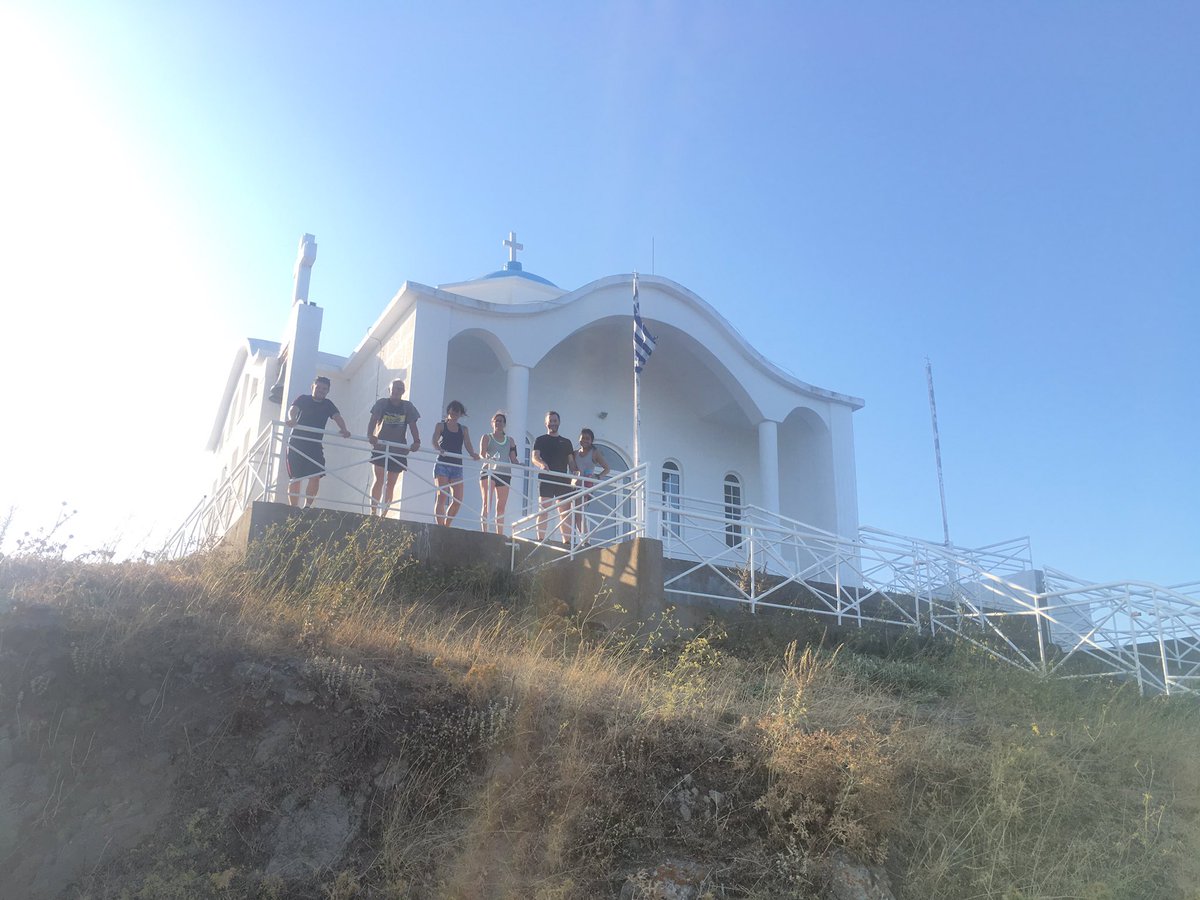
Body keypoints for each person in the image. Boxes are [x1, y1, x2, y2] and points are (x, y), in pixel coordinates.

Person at [285, 376, 351, 508]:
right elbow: (293, 409)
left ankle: (308, 507)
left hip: (314, 445)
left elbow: (337, 417)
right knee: (296, 477)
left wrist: (344, 429)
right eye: (318, 387)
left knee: (316, 475)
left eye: (324, 389)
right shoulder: (303, 399)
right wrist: (292, 419)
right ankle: (293, 509)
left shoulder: (328, 404)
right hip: (297, 443)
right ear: (313, 387)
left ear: (328, 391)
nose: (321, 390)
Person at [366, 378, 421, 516]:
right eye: (394, 388)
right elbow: (373, 419)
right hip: (381, 448)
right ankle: (373, 511)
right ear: (389, 390)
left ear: (403, 391)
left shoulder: (407, 407)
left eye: (400, 388)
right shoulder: (382, 403)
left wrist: (417, 441)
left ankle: (384, 513)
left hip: (398, 450)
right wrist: (370, 435)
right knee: (379, 479)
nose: (397, 391)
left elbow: (413, 425)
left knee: (391, 484)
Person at [431, 401, 479, 527]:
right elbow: (434, 440)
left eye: (457, 411)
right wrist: (439, 449)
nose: (454, 413)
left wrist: (473, 453)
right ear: (448, 411)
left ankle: (446, 525)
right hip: (442, 463)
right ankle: (440, 526)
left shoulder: (463, 429)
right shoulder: (441, 426)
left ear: (460, 414)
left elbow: (467, 443)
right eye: (452, 410)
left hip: (457, 465)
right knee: (441, 495)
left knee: (458, 499)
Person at [532, 410, 577, 542]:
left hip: (563, 479)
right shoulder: (540, 440)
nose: (553, 423)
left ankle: (567, 542)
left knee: (564, 512)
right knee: (543, 509)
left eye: (555, 421)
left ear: (559, 422)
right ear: (546, 423)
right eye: (550, 421)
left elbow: (571, 461)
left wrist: (575, 470)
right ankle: (540, 538)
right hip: (546, 478)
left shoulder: (566, 442)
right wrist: (542, 464)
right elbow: (535, 457)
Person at [478, 411, 520, 534]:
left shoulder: (510, 440)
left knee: (501, 506)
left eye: (501, 421)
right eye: (496, 420)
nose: (499, 423)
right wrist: (488, 458)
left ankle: (499, 534)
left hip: (505, 473)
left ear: (504, 424)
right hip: (489, 471)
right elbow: (482, 453)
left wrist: (519, 464)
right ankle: (484, 532)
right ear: (492, 423)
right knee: (487, 503)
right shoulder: (486, 437)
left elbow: (513, 458)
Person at [572, 427, 611, 540]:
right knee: (574, 513)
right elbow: (572, 467)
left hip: (586, 486)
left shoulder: (594, 453)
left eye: (587, 438)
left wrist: (598, 476)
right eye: (582, 438)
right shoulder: (575, 453)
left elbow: (607, 468)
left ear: (591, 441)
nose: (584, 440)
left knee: (579, 513)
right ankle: (579, 539)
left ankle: (585, 540)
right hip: (575, 485)